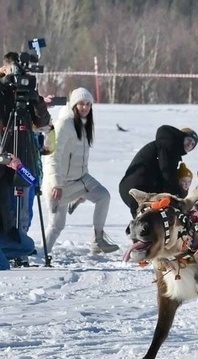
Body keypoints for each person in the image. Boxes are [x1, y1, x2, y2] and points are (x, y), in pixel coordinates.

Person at [41, 87, 119, 255]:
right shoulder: (63, 125)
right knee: (56, 226)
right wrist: (56, 184)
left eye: (88, 104)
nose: (85, 108)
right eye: (81, 104)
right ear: (74, 105)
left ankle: (98, 239)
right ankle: (41, 256)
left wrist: (85, 187)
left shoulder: (84, 125)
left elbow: (79, 159)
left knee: (103, 196)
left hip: (81, 179)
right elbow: (52, 157)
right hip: (60, 183)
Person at [0, 51, 52, 267]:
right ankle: (10, 248)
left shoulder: (27, 93)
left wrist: (36, 100)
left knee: (24, 211)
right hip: (4, 157)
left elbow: (42, 122)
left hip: (23, 154)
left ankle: (18, 249)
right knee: (7, 210)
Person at [119, 125, 198, 216]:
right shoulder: (168, 146)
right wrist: (177, 197)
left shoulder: (168, 147)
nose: (190, 144)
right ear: (181, 137)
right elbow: (167, 173)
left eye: (193, 144)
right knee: (147, 222)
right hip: (137, 188)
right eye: (189, 140)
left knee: (148, 221)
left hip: (134, 187)